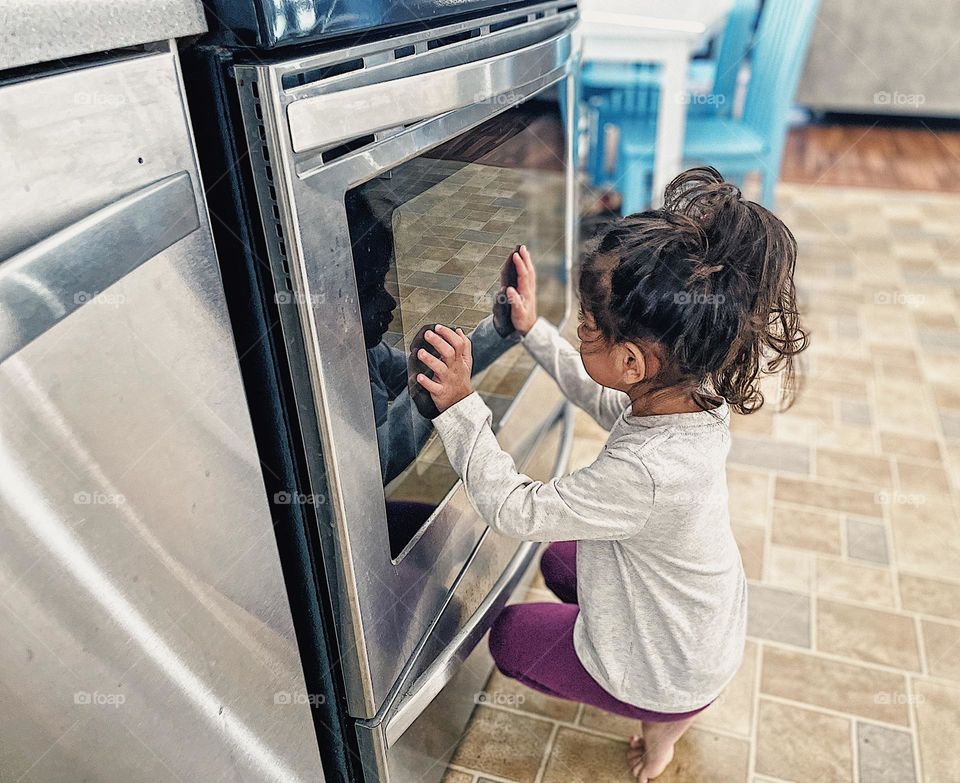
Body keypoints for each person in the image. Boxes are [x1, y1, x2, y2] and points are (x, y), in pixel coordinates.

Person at [414, 167, 808, 781]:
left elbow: (518, 509)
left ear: (631, 361)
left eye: (587, 328)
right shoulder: (692, 391)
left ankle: (662, 730)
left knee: (512, 637)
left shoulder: (645, 475)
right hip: (701, 636)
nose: (578, 328)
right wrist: (532, 333)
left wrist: (461, 407)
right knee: (561, 563)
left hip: (669, 673)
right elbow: (603, 396)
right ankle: (671, 716)